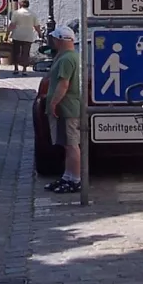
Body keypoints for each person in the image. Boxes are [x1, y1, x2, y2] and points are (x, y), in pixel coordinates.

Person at [44, 25, 82, 193]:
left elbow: (63, 83)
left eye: (54, 38)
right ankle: (67, 176)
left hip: (66, 108)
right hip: (66, 107)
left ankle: (75, 179)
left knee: (71, 144)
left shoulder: (67, 58)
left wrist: (53, 103)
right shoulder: (67, 56)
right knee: (66, 144)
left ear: (59, 40)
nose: (52, 41)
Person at [7, 0, 40, 74]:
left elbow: (12, 25)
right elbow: (36, 26)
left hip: (17, 35)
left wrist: (7, 34)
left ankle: (16, 68)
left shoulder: (16, 13)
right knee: (26, 53)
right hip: (28, 35)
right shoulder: (32, 14)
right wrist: (40, 34)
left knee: (16, 52)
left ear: (20, 4)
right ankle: (24, 69)